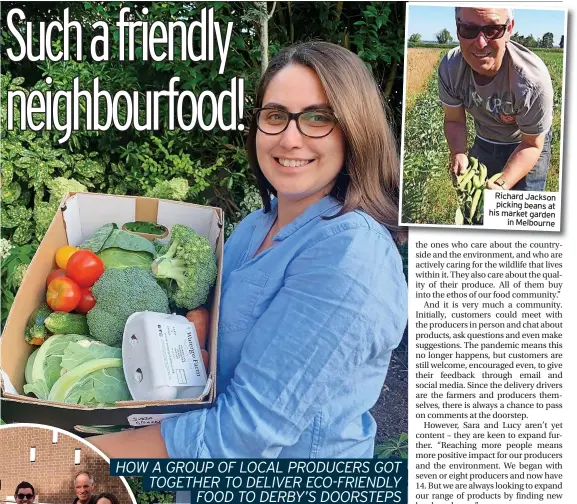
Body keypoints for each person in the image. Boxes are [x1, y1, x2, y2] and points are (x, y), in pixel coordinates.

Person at [88, 41, 408, 458]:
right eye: (275, 116)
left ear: (354, 130)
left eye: (317, 118)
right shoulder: (257, 224)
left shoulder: (353, 254)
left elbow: (242, 435)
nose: (290, 139)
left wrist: (69, 453)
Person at [439, 7, 554, 191]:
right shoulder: (451, 68)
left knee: (518, 212)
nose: (481, 43)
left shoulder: (531, 81)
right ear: (457, 29)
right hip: (485, 138)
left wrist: (503, 183)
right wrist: (458, 152)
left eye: (493, 29)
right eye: (469, 29)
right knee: (477, 212)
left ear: (509, 29)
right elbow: (454, 120)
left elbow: (532, 144)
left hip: (526, 142)